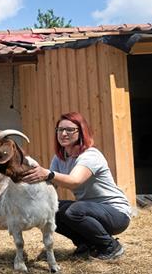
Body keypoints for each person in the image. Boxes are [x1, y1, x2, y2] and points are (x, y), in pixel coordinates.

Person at [22, 111, 131, 260]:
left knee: (74, 211)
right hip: (90, 211)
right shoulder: (59, 158)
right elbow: (49, 187)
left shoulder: (90, 155)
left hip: (116, 214)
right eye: (60, 130)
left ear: (81, 132)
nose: (64, 134)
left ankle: (110, 246)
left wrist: (48, 173)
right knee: (49, 209)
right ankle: (85, 244)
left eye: (70, 130)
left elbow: (74, 181)